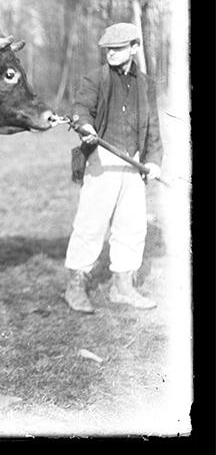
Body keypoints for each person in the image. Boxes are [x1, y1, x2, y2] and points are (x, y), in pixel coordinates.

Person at [64, 22, 163, 313]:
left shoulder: (146, 84)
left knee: (132, 227)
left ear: (134, 48)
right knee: (91, 224)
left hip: (134, 162)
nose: (110, 53)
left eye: (117, 48)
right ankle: (75, 286)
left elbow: (153, 127)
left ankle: (123, 287)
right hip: (102, 160)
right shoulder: (95, 79)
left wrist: (154, 161)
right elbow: (81, 110)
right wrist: (86, 127)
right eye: (108, 49)